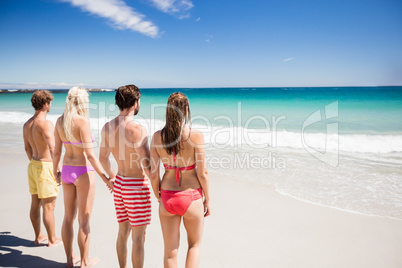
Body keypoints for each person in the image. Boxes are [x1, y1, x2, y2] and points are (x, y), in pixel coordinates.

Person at [53, 87, 114, 268]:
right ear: (82, 102)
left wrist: (55, 172)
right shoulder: (82, 122)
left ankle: (70, 261)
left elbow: (56, 152)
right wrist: (105, 178)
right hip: (82, 172)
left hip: (66, 171)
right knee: (84, 220)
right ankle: (85, 263)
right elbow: (91, 155)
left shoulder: (59, 121)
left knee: (67, 218)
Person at [150, 92, 210, 268]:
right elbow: (203, 173)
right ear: (186, 109)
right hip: (191, 197)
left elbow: (153, 172)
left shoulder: (156, 137)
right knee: (194, 246)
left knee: (170, 252)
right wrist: (208, 198)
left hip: (167, 196)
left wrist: (158, 194)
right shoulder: (196, 136)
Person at [99, 84, 151, 268]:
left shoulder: (107, 127)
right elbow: (147, 164)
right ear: (135, 102)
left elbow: (102, 159)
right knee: (139, 237)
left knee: (122, 232)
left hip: (120, 183)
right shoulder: (137, 128)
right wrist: (158, 186)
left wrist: (112, 178)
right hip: (136, 185)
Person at [23, 90, 62, 247]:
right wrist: (57, 169)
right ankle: (52, 240)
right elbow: (53, 148)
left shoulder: (27, 124)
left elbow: (27, 149)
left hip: (33, 165)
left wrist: (35, 164)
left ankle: (39, 236)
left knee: (35, 203)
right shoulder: (46, 124)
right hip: (46, 167)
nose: (50, 105)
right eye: (50, 102)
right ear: (46, 104)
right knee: (49, 206)